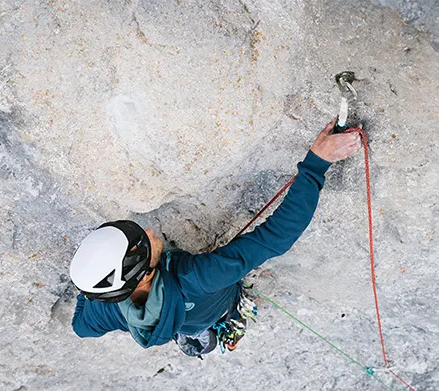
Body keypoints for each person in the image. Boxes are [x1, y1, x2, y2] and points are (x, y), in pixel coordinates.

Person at [69, 118, 361, 356]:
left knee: (189, 323)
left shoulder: (106, 311)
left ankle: (193, 332)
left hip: (183, 319)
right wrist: (316, 163)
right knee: (221, 308)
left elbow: (79, 327)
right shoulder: (197, 277)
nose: (147, 232)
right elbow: (277, 236)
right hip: (219, 302)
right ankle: (221, 322)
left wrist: (93, 284)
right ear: (144, 276)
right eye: (143, 244)